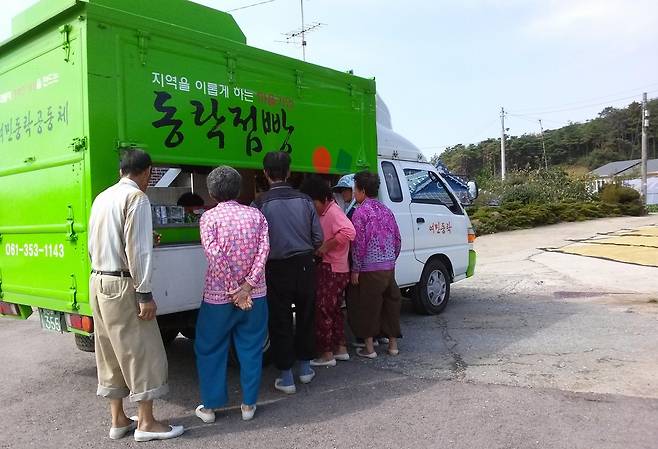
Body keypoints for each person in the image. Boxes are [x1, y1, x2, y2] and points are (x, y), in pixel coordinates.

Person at [87, 149, 184, 442]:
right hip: (123, 285)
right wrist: (144, 293)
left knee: (109, 352)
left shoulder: (103, 197)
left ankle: (118, 420)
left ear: (121, 171)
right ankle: (147, 423)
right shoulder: (137, 198)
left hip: (98, 279)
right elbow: (138, 253)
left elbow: (100, 241)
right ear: (146, 172)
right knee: (142, 351)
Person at [194, 166, 270, 423]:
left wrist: (234, 289)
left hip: (218, 298)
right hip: (255, 296)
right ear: (238, 189)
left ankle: (210, 407)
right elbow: (263, 252)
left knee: (210, 348)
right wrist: (247, 287)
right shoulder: (257, 216)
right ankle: (248, 405)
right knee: (251, 348)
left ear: (212, 192)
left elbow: (214, 255)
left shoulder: (208, 219)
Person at [254, 152, 323, 394]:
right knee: (306, 316)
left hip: (275, 268)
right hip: (305, 265)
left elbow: (255, 242)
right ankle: (305, 369)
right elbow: (318, 238)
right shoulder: (305, 201)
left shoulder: (260, 204)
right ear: (289, 171)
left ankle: (286, 377)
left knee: (280, 320)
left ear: (265, 173)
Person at [300, 176, 356, 367]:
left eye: (313, 202)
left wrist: (325, 247)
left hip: (331, 268)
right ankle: (340, 349)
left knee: (322, 310)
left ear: (323, 199)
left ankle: (326, 354)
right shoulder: (325, 213)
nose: (312, 207)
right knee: (334, 310)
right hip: (337, 269)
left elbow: (350, 232)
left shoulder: (332, 212)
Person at [346, 170, 402, 359]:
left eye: (355, 189)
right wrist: (391, 260)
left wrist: (355, 270)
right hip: (388, 267)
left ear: (361, 190)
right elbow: (397, 240)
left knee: (366, 306)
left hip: (369, 269)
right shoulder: (386, 210)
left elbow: (358, 245)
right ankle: (393, 346)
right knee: (391, 305)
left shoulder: (360, 213)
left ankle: (369, 349)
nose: (353, 193)